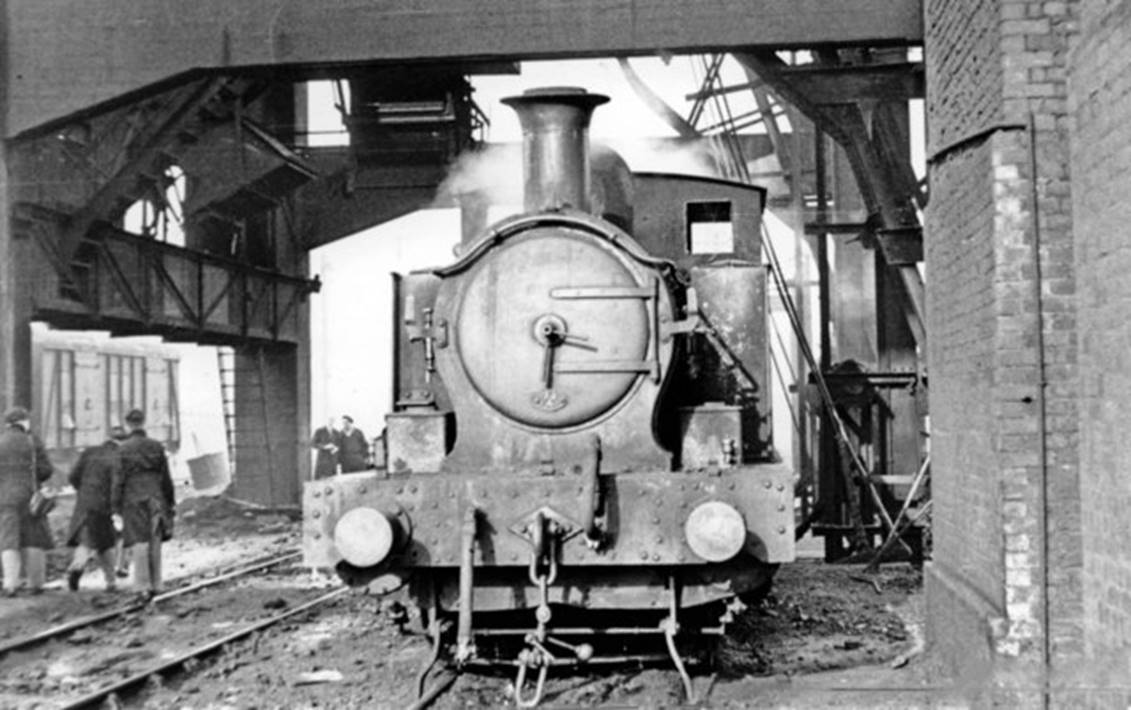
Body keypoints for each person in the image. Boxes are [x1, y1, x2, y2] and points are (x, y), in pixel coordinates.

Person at [112, 409, 175, 598]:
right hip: (156, 497)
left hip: (133, 498)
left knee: (139, 541)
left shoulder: (123, 449)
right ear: (143, 422)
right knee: (155, 539)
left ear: (128, 424)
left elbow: (118, 481)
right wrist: (170, 503)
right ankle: (157, 584)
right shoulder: (156, 446)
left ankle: (141, 585)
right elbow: (166, 478)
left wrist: (115, 507)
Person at [0, 406, 56, 596]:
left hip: (5, 498)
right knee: (33, 538)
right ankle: (35, 584)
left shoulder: (0, 441)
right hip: (30, 496)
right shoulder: (33, 440)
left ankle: (10, 585)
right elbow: (46, 470)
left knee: (9, 539)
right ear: (23, 421)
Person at [65, 426, 127, 592]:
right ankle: (107, 580)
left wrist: (84, 491)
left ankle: (102, 578)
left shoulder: (90, 452)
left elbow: (72, 477)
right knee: (104, 543)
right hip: (104, 507)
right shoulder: (119, 457)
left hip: (85, 503)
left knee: (93, 541)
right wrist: (117, 508)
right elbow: (117, 486)